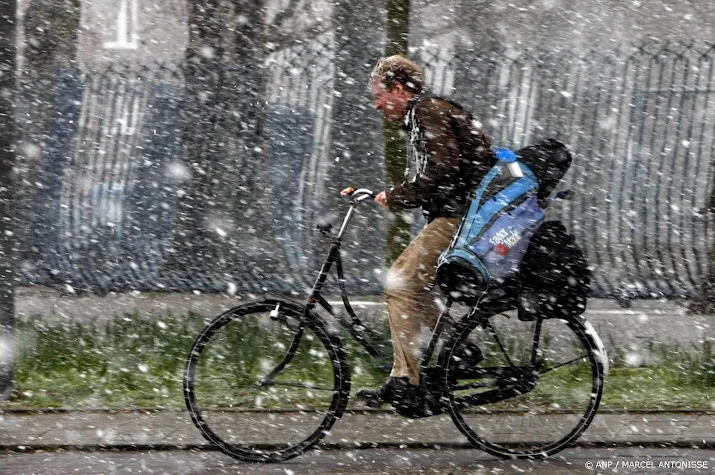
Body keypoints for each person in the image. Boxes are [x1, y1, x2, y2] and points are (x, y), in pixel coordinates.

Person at [357, 55, 495, 406]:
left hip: (462, 217)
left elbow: (444, 169)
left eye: (378, 95)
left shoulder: (427, 111)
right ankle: (459, 349)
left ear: (399, 89)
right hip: (466, 213)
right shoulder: (428, 112)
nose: (376, 105)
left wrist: (399, 196)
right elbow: (445, 167)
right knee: (416, 287)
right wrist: (385, 194)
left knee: (400, 281)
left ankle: (405, 379)